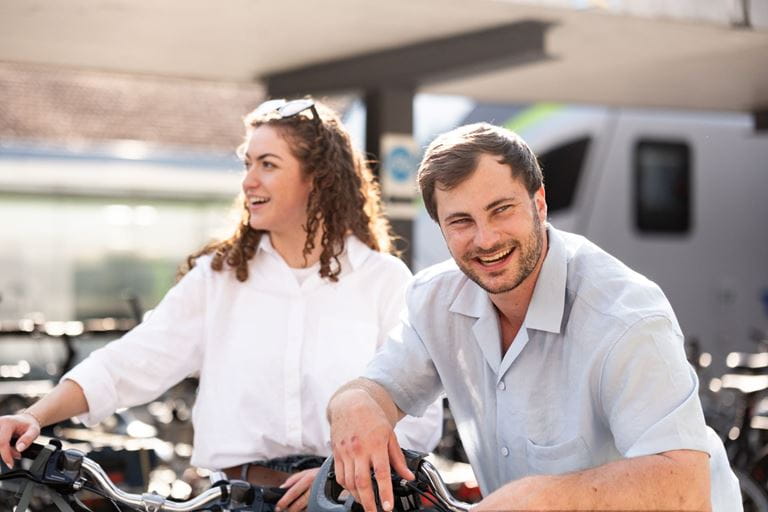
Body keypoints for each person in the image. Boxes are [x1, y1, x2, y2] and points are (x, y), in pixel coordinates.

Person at [0, 98, 442, 512]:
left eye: (268, 165)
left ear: (318, 178)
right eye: (248, 164)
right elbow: (131, 361)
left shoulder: (382, 279)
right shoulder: (220, 276)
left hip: (344, 501)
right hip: (233, 500)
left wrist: (339, 475)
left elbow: (414, 414)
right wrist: (33, 416)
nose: (249, 180)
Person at [327, 122, 741, 511]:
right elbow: (377, 390)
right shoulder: (434, 299)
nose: (486, 239)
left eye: (501, 209)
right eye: (461, 221)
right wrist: (353, 405)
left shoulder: (624, 317)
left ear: (539, 203)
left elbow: (686, 486)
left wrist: (546, 497)